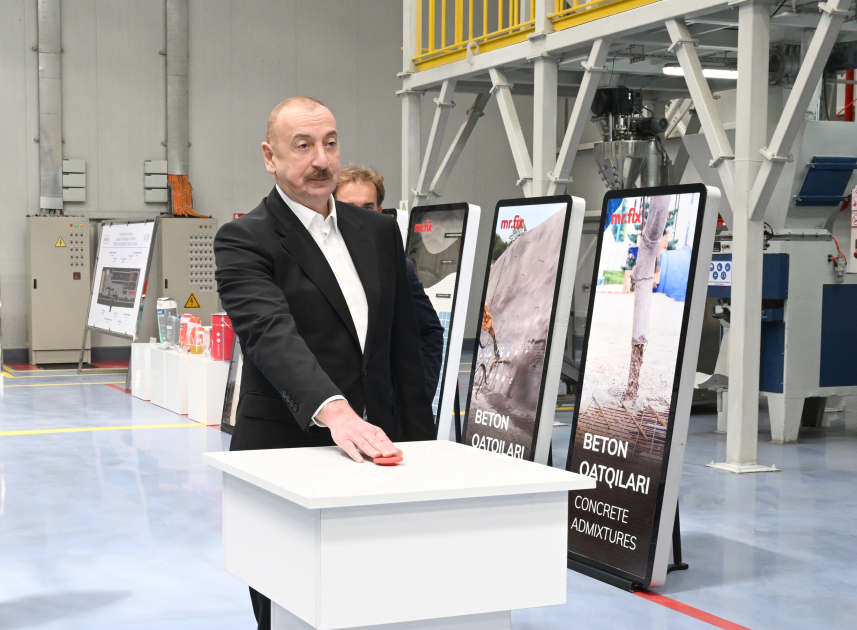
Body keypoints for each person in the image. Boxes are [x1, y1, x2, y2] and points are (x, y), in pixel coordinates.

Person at [213, 97, 434, 630]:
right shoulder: (244, 239)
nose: (321, 159)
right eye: (303, 146)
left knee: (382, 598)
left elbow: (403, 347)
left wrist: (425, 447)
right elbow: (271, 336)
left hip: (380, 453)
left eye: (330, 144)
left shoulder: (377, 232)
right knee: (290, 607)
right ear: (270, 157)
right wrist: (335, 412)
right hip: (286, 453)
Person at [335, 165, 445, 402]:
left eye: (367, 208)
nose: (359, 217)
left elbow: (429, 332)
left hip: (378, 411)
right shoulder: (306, 266)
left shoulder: (397, 268)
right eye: (348, 208)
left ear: (380, 212)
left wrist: (417, 399)